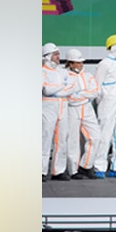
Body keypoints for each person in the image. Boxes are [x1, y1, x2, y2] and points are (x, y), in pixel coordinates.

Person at [92, 36, 116, 177]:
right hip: (109, 103)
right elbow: (97, 85)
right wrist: (104, 100)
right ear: (114, 48)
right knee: (105, 134)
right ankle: (99, 166)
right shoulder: (104, 64)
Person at [61, 49, 101, 179]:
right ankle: (73, 170)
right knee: (73, 140)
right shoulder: (64, 76)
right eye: (77, 62)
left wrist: (80, 95)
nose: (81, 64)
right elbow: (68, 96)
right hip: (72, 110)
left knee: (95, 137)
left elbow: (95, 92)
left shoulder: (88, 75)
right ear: (70, 63)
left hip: (87, 109)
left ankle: (86, 165)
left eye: (81, 62)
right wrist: (85, 95)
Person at [41, 43, 78, 181]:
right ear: (47, 56)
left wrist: (57, 90)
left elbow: (72, 87)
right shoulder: (42, 71)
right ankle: (41, 171)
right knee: (45, 139)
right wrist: (62, 88)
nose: (58, 56)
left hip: (63, 106)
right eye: (55, 54)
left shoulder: (62, 71)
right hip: (47, 107)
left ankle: (58, 170)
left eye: (58, 53)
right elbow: (46, 90)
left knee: (62, 139)